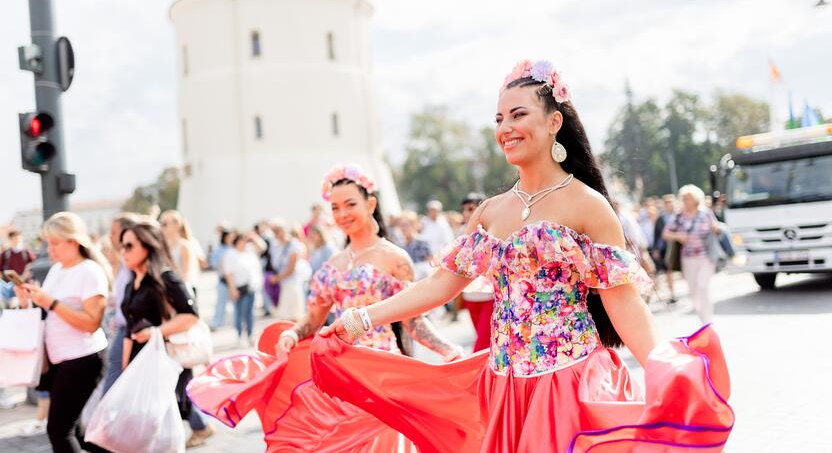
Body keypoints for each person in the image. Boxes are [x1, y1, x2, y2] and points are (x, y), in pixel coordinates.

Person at [313, 59, 734, 452]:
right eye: (499, 118)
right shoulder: (491, 211)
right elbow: (440, 284)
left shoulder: (587, 205)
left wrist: (664, 368)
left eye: (518, 115)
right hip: (505, 388)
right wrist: (360, 319)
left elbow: (623, 304)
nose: (505, 128)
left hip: (569, 384)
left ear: (554, 122)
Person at [188, 164, 462, 451]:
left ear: (371, 204)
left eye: (350, 204)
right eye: (335, 207)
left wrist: (446, 349)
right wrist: (293, 334)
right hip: (343, 374)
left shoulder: (393, 257)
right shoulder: (332, 266)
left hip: (383, 372)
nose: (342, 214)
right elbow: (314, 319)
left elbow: (413, 319)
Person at [13, 212, 111, 453]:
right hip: (61, 358)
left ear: (74, 242)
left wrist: (52, 303)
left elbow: (91, 323)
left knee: (59, 431)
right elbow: (50, 311)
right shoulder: (58, 269)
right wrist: (28, 300)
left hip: (82, 358)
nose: (51, 249)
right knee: (76, 432)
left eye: (55, 243)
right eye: (48, 243)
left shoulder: (89, 271)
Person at [119, 221, 214, 448]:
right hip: (138, 362)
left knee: (161, 430)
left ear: (148, 246)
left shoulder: (165, 278)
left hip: (163, 360)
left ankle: (200, 428)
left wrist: (155, 332)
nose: (123, 251)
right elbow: (128, 328)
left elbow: (191, 315)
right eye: (122, 246)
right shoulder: (131, 284)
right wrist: (125, 370)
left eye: (129, 246)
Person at [663, 185, 721, 324]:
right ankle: (702, 317)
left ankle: (707, 321)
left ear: (696, 199)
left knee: (702, 286)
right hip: (688, 258)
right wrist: (678, 236)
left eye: (689, 198)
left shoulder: (705, 213)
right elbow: (666, 234)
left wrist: (716, 229)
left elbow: (717, 228)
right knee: (694, 290)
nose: (686, 201)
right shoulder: (678, 215)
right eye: (684, 198)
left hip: (706, 256)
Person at [101, 213, 140, 394]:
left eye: (114, 232)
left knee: (115, 375)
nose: (110, 236)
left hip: (134, 330)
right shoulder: (125, 263)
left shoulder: (134, 264)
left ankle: (103, 418)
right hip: (126, 329)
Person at [458, 192, 493, 353]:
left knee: (482, 346)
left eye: (471, 208)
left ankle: (479, 377)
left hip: (490, 296)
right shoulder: (460, 235)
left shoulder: (493, 231)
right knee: (483, 341)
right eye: (465, 209)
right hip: (470, 295)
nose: (467, 213)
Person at [222, 231, 266, 346]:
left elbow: (263, 247)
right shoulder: (231, 254)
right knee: (239, 312)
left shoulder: (249, 252)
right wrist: (232, 289)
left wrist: (253, 236)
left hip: (250, 286)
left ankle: (250, 334)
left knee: (249, 312)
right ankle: (240, 334)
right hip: (238, 287)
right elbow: (228, 273)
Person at [267, 220, 306, 321]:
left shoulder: (294, 245)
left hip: (291, 284)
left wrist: (277, 278)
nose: (276, 233)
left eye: (277, 230)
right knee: (282, 317)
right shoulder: (276, 245)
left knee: (293, 317)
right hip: (281, 285)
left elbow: (291, 268)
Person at [159, 210, 201, 300]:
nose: (161, 227)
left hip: (180, 292)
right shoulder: (161, 245)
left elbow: (185, 276)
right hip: (166, 290)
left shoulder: (184, 246)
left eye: (165, 224)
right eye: (161, 223)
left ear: (177, 225)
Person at [652, 194, 678, 302]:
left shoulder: (679, 216)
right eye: (667, 203)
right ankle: (672, 294)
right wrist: (656, 249)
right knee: (668, 271)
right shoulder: (660, 219)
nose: (669, 205)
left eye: (671, 203)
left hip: (678, 247)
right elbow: (656, 235)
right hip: (665, 249)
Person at [208, 228, 235, 330]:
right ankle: (216, 323)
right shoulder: (219, 250)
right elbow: (213, 263)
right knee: (221, 303)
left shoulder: (235, 248)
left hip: (235, 281)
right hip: (223, 280)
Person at [398, 211, 432, 280]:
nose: (403, 228)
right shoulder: (400, 246)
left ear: (413, 225)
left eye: (405, 225)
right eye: (401, 225)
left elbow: (430, 264)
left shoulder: (423, 242)